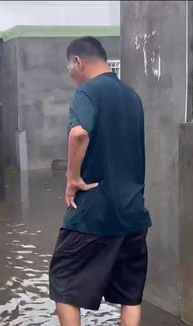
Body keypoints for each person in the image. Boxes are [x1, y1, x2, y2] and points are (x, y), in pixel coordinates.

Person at [49, 37, 152, 326]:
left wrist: (72, 178)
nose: (72, 76)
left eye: (70, 69)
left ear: (78, 62)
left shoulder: (88, 92)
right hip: (133, 214)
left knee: (64, 284)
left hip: (93, 212)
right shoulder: (131, 95)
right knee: (130, 297)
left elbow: (78, 134)